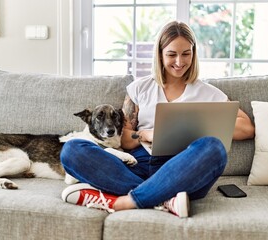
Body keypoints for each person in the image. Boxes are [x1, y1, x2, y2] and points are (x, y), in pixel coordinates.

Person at [60, 21, 255, 218]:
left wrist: (198, 129)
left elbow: (247, 128)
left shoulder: (207, 92)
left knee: (213, 147)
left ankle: (125, 200)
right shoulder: (140, 88)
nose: (179, 62)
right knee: (72, 149)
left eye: (186, 54)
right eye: (172, 54)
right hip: (139, 165)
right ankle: (163, 199)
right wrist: (146, 134)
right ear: (160, 54)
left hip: (184, 170)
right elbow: (126, 139)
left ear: (194, 54)